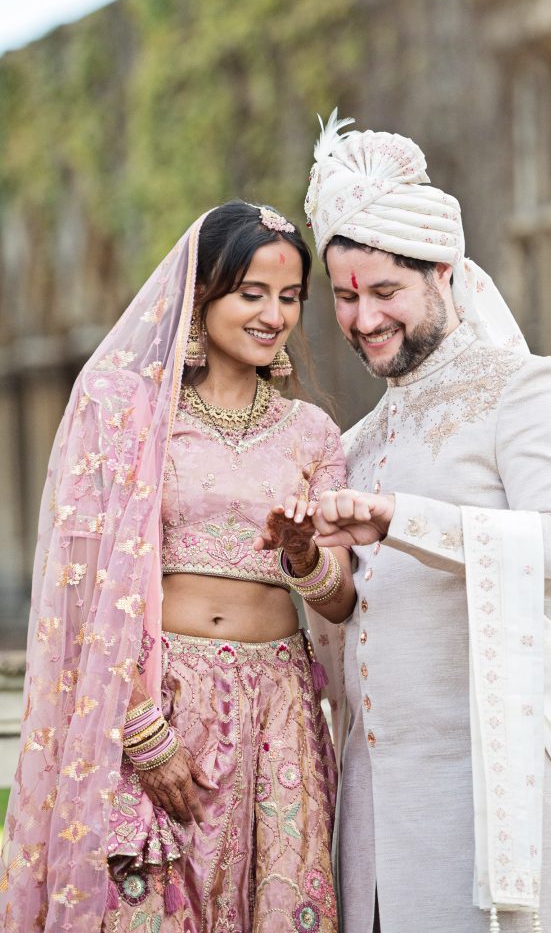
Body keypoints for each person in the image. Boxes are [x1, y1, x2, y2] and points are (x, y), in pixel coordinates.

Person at [300, 114, 551, 933]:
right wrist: (308, 564)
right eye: (345, 297)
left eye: (386, 292)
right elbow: (355, 622)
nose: (364, 319)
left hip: (487, 797)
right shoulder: (358, 440)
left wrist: (403, 519)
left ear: (443, 274)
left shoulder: (526, 388)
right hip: (372, 820)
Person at [1, 200, 356, 933]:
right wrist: (140, 724)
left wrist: (301, 554)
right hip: (164, 696)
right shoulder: (132, 416)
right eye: (251, 293)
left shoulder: (313, 433)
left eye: (290, 298)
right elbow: (88, 586)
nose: (273, 315)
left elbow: (340, 600)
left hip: (279, 712)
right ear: (200, 297)